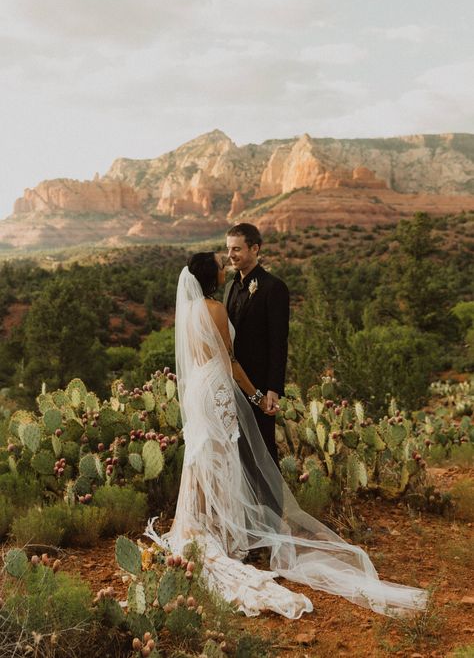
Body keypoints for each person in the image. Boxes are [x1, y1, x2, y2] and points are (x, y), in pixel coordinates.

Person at [145, 252, 427, 619]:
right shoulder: (213, 308)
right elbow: (229, 362)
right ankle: (221, 535)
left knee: (202, 457)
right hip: (216, 389)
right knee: (223, 457)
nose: (224, 265)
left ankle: (200, 527)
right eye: (219, 262)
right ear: (209, 275)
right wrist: (259, 397)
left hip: (198, 388)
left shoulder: (187, 313)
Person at [224, 223, 288, 468]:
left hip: (260, 385)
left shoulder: (274, 287)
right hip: (232, 383)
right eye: (229, 249)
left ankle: (271, 506)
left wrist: (273, 388)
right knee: (238, 451)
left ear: (255, 249)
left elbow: (278, 341)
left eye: (237, 249)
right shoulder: (229, 287)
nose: (231, 255)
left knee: (263, 451)